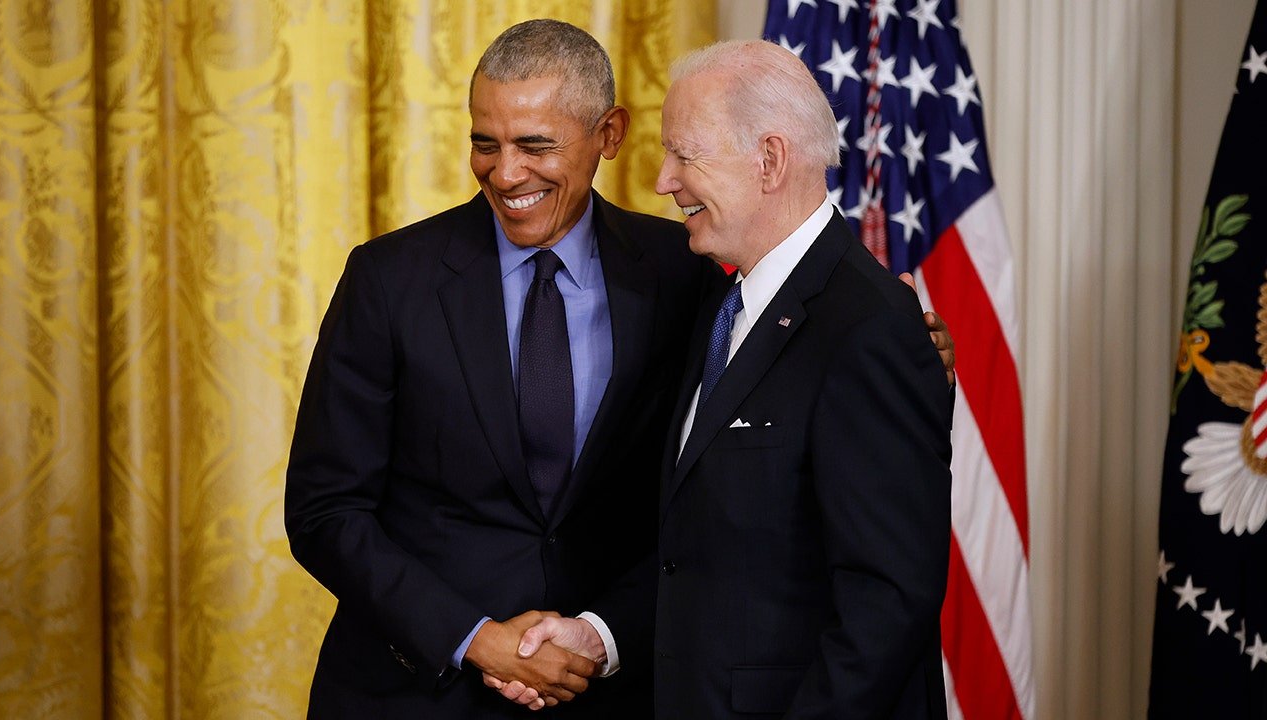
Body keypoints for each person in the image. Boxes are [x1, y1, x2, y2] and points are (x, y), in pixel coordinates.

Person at [286, 20, 954, 718]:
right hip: (417, 694)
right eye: (486, 143)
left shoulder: (684, 273)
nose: (505, 173)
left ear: (607, 134)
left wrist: (914, 359)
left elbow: (759, 474)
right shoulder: (388, 280)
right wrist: (474, 638)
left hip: (615, 692)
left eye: (535, 145)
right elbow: (325, 508)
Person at [509, 39, 953, 719]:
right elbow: (704, 551)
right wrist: (599, 636)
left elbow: (886, 607)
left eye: (684, 155)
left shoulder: (869, 327)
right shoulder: (723, 307)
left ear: (769, 160)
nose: (663, 180)